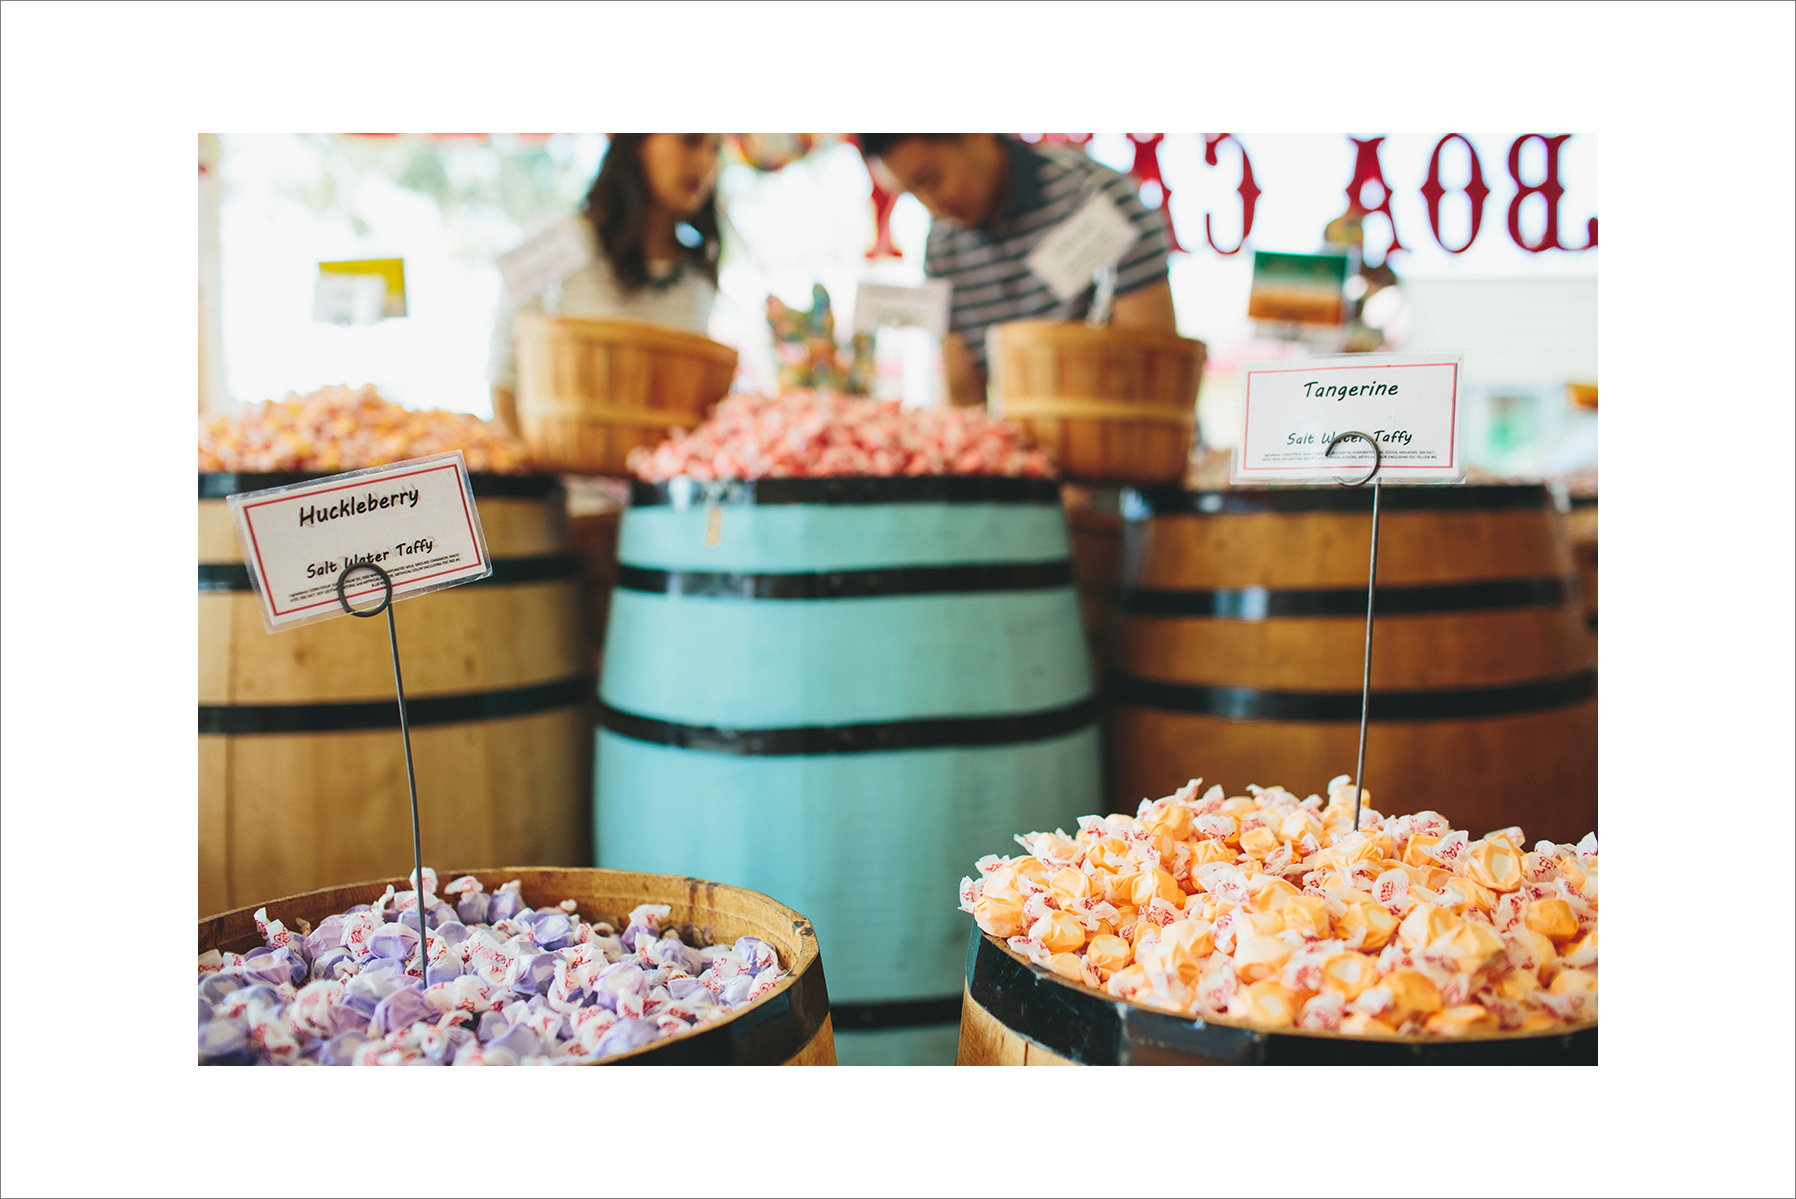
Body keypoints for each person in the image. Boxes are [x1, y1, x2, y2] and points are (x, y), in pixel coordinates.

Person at [857, 133, 1177, 407]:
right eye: (913, 193)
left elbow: (1155, 370)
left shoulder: (1094, 197)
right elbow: (966, 398)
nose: (932, 205)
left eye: (931, 179)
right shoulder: (943, 246)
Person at [489, 133, 723, 433]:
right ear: (636, 141)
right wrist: (521, 454)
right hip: (551, 460)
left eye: (716, 149)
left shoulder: (699, 276)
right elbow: (503, 367)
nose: (705, 162)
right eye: (690, 140)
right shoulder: (559, 238)